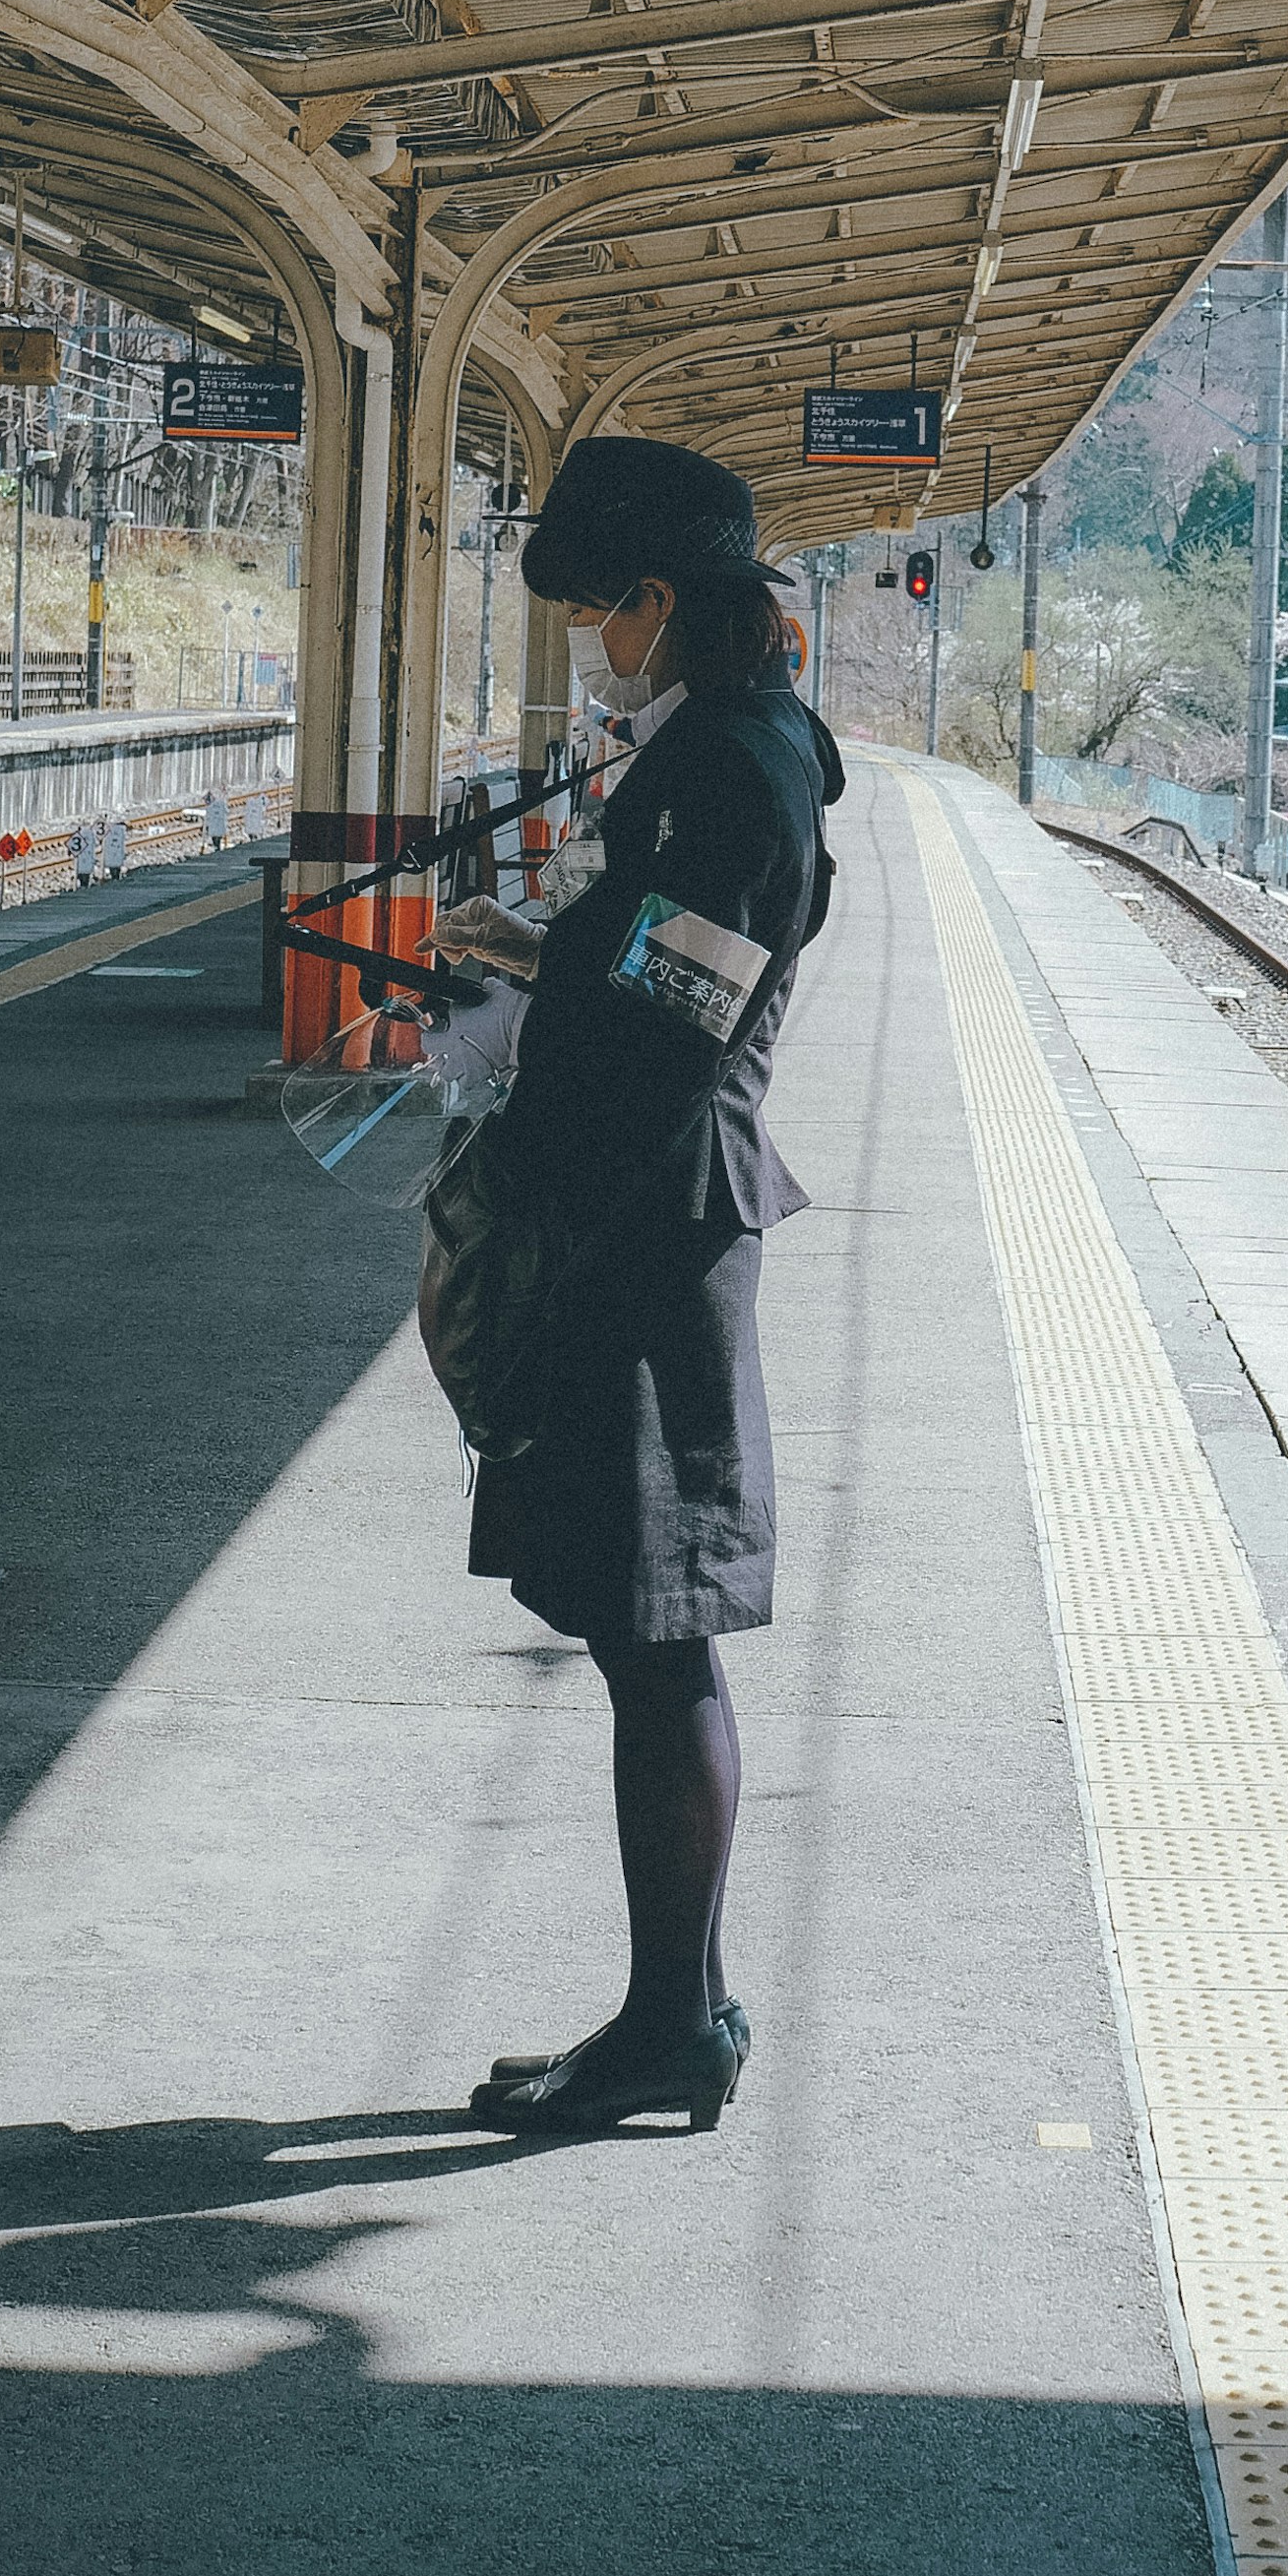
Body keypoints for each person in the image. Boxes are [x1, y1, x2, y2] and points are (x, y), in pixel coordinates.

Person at [429, 436, 845, 2140]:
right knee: (634, 1630)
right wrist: (549, 956)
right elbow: (666, 968)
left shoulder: (734, 769)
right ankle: (671, 2011)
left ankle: (677, 2022)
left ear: (663, 602)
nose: (593, 635)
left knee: (654, 1637)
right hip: (642, 1220)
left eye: (603, 605)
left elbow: (679, 1030)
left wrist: (529, 1088)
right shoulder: (725, 750)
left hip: (645, 1234)